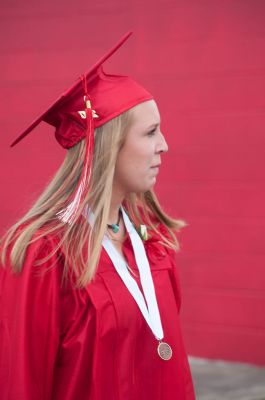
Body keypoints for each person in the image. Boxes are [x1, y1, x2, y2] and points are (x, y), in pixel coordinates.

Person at [0, 32, 195, 399]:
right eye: (151, 132)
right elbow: (22, 382)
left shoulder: (151, 241)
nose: (164, 145)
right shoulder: (44, 253)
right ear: (106, 146)